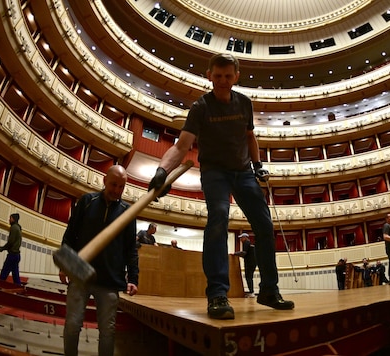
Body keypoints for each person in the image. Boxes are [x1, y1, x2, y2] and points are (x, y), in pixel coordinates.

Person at [148, 53, 294, 320]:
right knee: (218, 218)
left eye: (228, 76)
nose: (223, 81)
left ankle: (269, 291)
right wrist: (161, 171)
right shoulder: (201, 107)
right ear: (209, 76)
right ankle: (217, 294)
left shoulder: (244, 104)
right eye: (218, 76)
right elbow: (181, 146)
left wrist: (258, 163)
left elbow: (250, 137)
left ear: (236, 76)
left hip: (243, 171)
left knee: (264, 225)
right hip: (214, 172)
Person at [59, 165, 139, 356]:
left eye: (122, 187)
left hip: (110, 281)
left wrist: (134, 278)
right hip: (80, 276)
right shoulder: (87, 201)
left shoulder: (127, 213)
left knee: (108, 332)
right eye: (114, 185)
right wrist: (65, 265)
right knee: (72, 326)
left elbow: (130, 249)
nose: (117, 191)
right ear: (104, 180)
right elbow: (70, 236)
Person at [0, 213, 22, 285]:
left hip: (12, 255)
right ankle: (18, 289)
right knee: (15, 275)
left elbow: (10, 242)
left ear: (13, 219)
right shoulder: (18, 228)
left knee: (4, 272)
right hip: (17, 255)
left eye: (10, 218)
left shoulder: (14, 227)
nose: (9, 219)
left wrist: (3, 248)